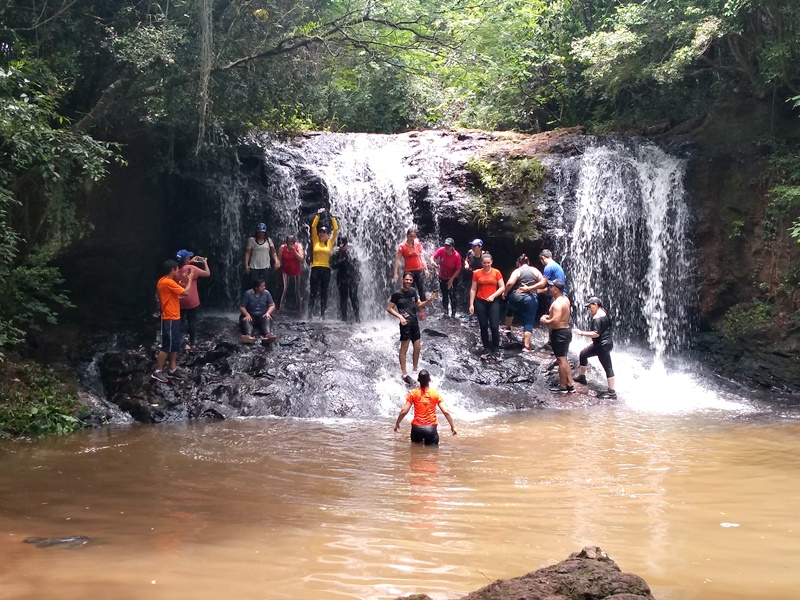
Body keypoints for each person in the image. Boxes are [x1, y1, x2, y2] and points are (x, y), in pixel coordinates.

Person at [387, 272, 439, 385]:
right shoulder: (397, 294)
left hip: (414, 322)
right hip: (405, 324)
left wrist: (429, 300)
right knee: (404, 349)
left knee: (417, 347)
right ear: (402, 280)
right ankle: (404, 373)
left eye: (410, 280)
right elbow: (389, 308)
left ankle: (415, 370)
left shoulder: (413, 291)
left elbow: (419, 305)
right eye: (406, 279)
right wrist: (400, 316)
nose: (408, 282)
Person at [152, 260, 194, 383]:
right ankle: (158, 371)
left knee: (174, 344)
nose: (178, 271)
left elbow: (178, 290)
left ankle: (172, 369)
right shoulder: (167, 282)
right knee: (167, 345)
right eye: (176, 269)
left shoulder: (164, 281)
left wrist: (184, 281)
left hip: (174, 316)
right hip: (169, 317)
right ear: (172, 270)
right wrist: (190, 278)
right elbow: (185, 292)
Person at [394, 370, 457, 445]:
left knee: (415, 454)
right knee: (432, 454)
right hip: (430, 429)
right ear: (430, 380)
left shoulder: (413, 393)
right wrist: (453, 426)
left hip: (416, 429)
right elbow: (445, 411)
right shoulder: (435, 394)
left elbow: (404, 411)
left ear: (418, 380)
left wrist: (397, 423)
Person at [574, 296, 616, 399]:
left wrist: (581, 333)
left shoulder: (597, 318)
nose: (589, 309)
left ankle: (612, 392)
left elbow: (596, 334)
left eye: (590, 306)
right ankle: (582, 377)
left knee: (606, 366)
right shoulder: (604, 313)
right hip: (607, 343)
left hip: (601, 345)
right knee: (584, 354)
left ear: (596, 305)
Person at [502, 254, 543, 353]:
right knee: (528, 321)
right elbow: (543, 282)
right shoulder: (535, 270)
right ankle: (526, 346)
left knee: (509, 307)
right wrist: (532, 288)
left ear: (518, 264)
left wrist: (505, 292)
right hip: (531, 298)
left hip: (518, 296)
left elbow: (510, 283)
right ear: (528, 263)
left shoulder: (517, 271)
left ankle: (507, 327)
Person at [540, 279, 575, 393]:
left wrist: (545, 321)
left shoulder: (557, 303)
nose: (549, 289)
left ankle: (563, 385)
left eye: (551, 287)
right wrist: (548, 317)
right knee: (564, 358)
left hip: (559, 333)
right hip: (566, 331)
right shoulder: (565, 299)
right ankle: (570, 384)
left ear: (556, 289)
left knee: (561, 360)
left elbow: (555, 321)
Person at [469, 253, 505, 361]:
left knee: (494, 326)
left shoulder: (496, 272)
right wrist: (471, 304)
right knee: (483, 325)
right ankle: (486, 348)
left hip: (493, 301)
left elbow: (502, 287)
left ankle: (496, 349)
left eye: (488, 263)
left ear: (491, 262)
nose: (486, 265)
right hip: (480, 301)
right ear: (481, 263)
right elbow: (473, 289)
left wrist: (493, 296)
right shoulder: (477, 273)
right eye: (484, 263)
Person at [176, 249, 211, 350]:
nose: (190, 258)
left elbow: (182, 269)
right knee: (191, 321)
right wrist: (205, 263)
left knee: (180, 321)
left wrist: (188, 263)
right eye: (188, 257)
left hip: (179, 300)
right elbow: (207, 273)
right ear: (186, 259)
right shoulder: (192, 268)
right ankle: (192, 344)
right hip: (191, 300)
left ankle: (178, 341)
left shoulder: (174, 269)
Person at [309, 207, 339, 319]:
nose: (321, 234)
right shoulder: (315, 240)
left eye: (324, 232)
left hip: (326, 269)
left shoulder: (329, 243)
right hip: (315, 268)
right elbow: (313, 227)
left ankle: (322, 315)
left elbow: (335, 230)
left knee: (324, 292)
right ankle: (310, 314)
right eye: (320, 232)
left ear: (327, 234)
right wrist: (318, 215)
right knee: (313, 292)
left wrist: (332, 217)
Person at [393, 228, 428, 313]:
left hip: (419, 270)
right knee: (409, 291)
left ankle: (422, 311)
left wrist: (426, 269)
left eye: (414, 236)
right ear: (407, 236)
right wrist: (395, 273)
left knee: (422, 291)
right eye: (411, 236)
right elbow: (397, 260)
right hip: (409, 271)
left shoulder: (417, 244)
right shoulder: (402, 246)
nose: (412, 238)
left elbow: (421, 257)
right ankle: (410, 310)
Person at [330, 236, 361, 322]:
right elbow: (332, 265)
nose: (341, 247)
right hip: (341, 277)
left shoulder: (352, 252)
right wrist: (341, 261)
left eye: (343, 245)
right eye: (340, 245)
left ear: (346, 244)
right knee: (343, 298)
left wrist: (358, 277)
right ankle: (344, 319)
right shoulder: (336, 253)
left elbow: (357, 265)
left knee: (354, 297)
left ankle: (357, 318)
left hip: (352, 277)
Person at [430, 237, 461, 318]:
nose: (446, 247)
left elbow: (458, 269)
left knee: (452, 295)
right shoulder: (441, 250)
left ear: (452, 247)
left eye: (448, 246)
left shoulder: (456, 255)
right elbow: (432, 257)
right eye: (446, 245)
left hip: (453, 277)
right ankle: (446, 313)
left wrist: (451, 280)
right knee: (445, 295)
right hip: (442, 276)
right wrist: (432, 261)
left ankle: (453, 314)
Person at [238, 279, 277, 344]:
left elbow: (272, 305)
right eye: (262, 286)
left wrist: (268, 313)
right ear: (256, 288)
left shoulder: (266, 293)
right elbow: (242, 307)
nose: (264, 287)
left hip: (262, 315)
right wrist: (247, 314)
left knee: (267, 319)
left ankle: (268, 336)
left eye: (264, 286)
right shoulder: (248, 294)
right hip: (251, 315)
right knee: (246, 320)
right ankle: (249, 336)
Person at [277, 234, 304, 317]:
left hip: (296, 270)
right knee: (285, 289)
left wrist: (294, 251)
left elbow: (301, 259)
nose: (290, 244)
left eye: (292, 243)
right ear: (286, 242)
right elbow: (279, 259)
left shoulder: (298, 247)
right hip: (285, 270)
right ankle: (280, 309)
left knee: (297, 290)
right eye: (289, 243)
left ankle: (300, 311)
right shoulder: (282, 247)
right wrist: (277, 265)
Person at [462, 239, 485, 320]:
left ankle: (480, 313)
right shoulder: (470, 252)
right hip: (470, 277)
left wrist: (478, 271)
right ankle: (470, 313)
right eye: (472, 245)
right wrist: (466, 264)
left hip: (481, 279)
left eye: (474, 246)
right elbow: (466, 260)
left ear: (480, 247)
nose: (472, 247)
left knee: (480, 296)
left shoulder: (485, 255)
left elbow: (488, 267)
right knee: (469, 294)